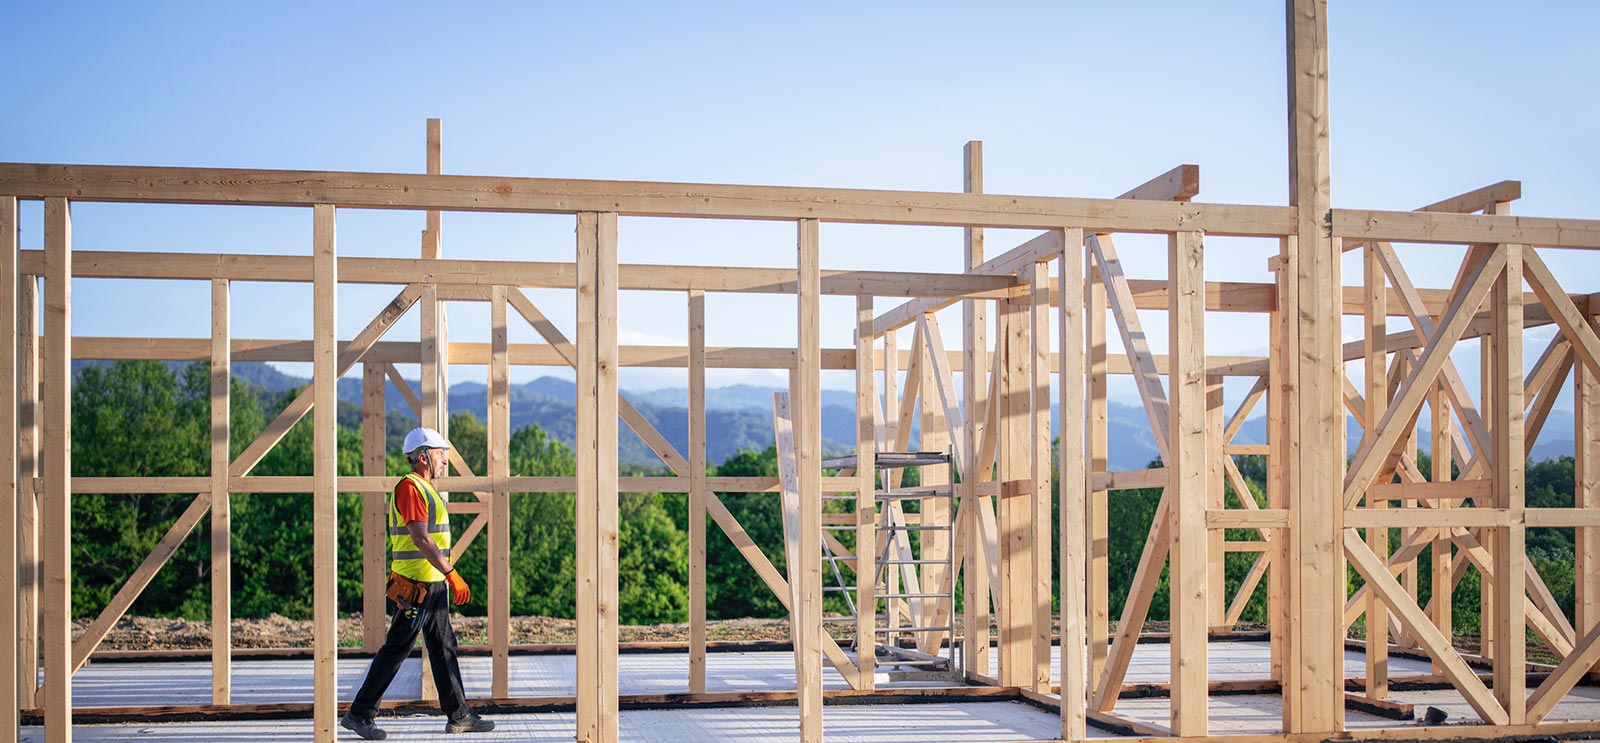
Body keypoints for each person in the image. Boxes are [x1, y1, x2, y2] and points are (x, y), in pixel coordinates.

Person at [341, 427, 494, 739]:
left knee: (443, 648)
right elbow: (421, 538)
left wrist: (444, 577)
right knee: (397, 649)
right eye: (440, 455)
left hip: (431, 585)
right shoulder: (410, 488)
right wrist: (451, 573)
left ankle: (459, 715)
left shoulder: (424, 487)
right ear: (423, 456)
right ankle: (359, 713)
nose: (444, 462)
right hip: (417, 587)